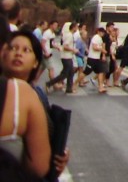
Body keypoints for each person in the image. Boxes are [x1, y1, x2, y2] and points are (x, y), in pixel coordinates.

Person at [1, 28, 69, 180]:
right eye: (13, 48)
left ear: (36, 62)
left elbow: (45, 152)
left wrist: (60, 153)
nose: (18, 53)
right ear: (3, 53)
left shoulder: (37, 96)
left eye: (26, 50)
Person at [87, 23, 107, 93]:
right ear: (98, 32)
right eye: (101, 32)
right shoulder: (96, 37)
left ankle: (100, 87)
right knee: (86, 72)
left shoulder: (100, 38)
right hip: (92, 58)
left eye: (103, 33)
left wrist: (102, 52)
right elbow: (94, 47)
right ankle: (75, 83)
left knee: (101, 71)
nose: (103, 34)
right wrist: (102, 50)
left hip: (97, 58)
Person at [56, 23, 76, 95]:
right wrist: (73, 50)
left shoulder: (69, 35)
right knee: (65, 74)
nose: (77, 28)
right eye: (76, 27)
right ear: (73, 27)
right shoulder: (69, 36)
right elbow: (65, 46)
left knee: (71, 72)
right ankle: (50, 83)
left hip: (68, 56)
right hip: (66, 57)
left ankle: (69, 88)